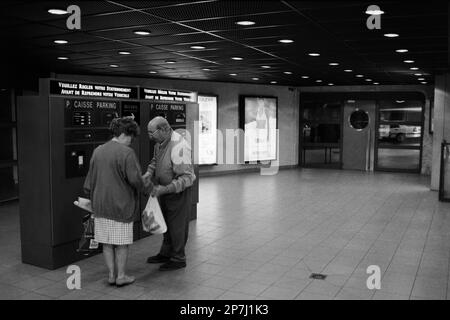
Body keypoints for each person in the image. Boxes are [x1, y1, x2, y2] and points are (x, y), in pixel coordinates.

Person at [83, 117, 143, 287]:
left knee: (107, 242)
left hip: (100, 205)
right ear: (125, 134)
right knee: (122, 243)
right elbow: (135, 180)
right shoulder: (126, 153)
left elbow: (89, 182)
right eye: (131, 137)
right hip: (120, 206)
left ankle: (111, 275)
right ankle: (121, 276)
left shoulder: (98, 150)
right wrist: (148, 188)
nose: (131, 142)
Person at [142, 116, 196, 271]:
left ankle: (178, 258)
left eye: (151, 132)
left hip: (177, 193)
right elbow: (155, 161)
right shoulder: (160, 143)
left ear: (164, 129)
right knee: (166, 222)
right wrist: (148, 173)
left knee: (177, 226)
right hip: (164, 190)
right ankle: (166, 253)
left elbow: (187, 177)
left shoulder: (180, 146)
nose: (149, 136)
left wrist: (164, 189)